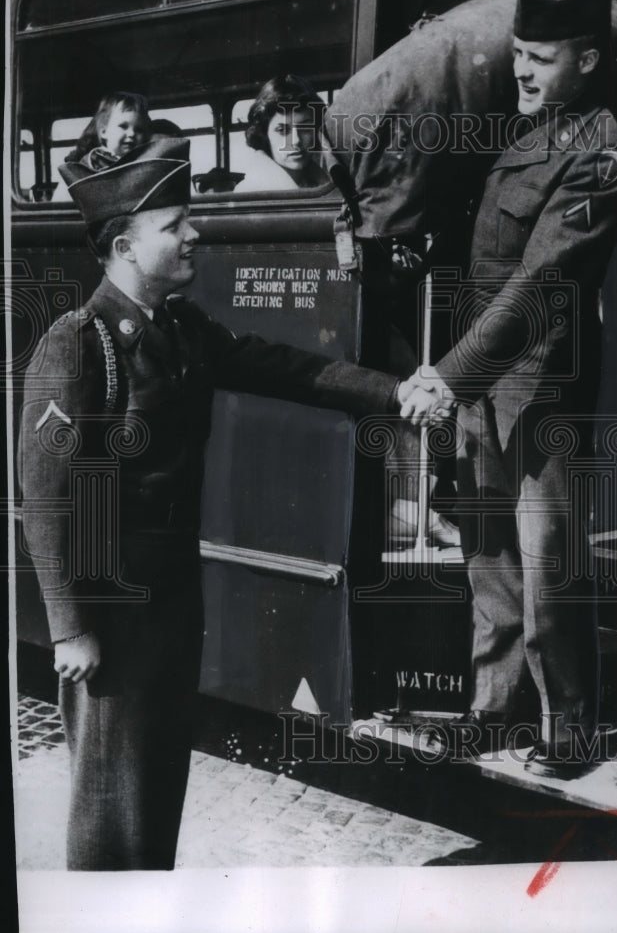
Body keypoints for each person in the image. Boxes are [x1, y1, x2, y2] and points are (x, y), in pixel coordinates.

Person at [17, 135, 424, 870]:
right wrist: (69, 627)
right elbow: (44, 499)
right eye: (174, 224)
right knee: (111, 807)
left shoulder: (181, 331)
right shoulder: (79, 344)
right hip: (111, 606)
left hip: (174, 598)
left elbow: (288, 368)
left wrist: (394, 392)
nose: (193, 234)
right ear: (124, 246)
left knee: (158, 792)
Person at [400, 0, 617, 776]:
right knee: (489, 552)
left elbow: (538, 288)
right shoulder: (526, 127)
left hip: (541, 383)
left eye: (540, 58)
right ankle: (494, 711)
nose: (523, 71)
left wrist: (451, 376)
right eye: (520, 56)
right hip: (484, 381)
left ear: (590, 59)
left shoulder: (601, 152)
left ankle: (568, 728)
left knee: (549, 564)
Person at [233, 74, 328, 192]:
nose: (295, 140)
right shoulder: (250, 191)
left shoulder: (325, 185)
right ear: (264, 134)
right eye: (282, 130)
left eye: (305, 128)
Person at [51, 92, 151, 200]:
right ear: (104, 132)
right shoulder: (79, 170)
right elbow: (60, 207)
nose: (131, 134)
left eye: (139, 130)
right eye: (123, 126)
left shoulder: (145, 168)